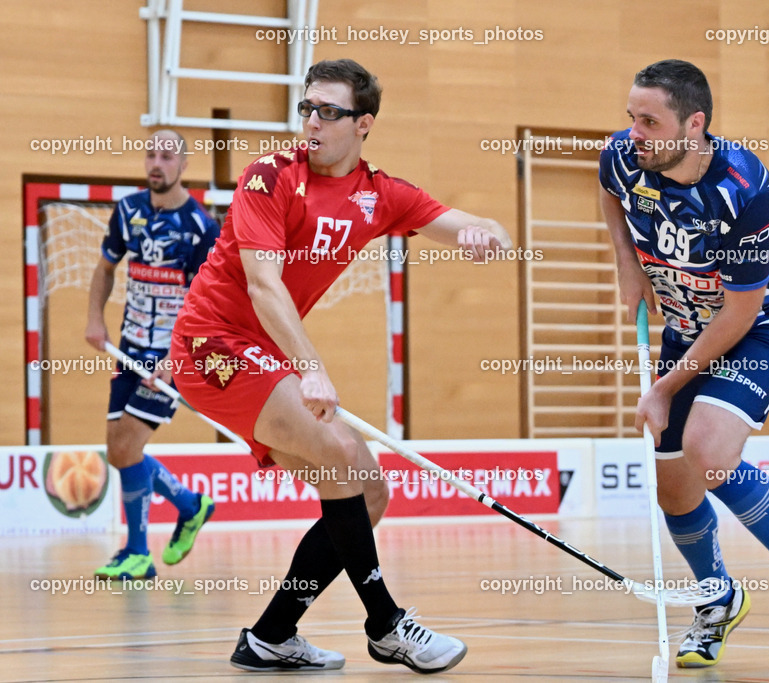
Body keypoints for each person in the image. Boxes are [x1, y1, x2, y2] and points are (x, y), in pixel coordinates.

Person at [169, 58, 511, 674]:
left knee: (367, 492)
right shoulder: (268, 178)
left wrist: (488, 232)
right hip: (210, 347)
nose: (312, 122)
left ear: (364, 124)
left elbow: (459, 224)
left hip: (263, 358)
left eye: (329, 111)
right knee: (340, 455)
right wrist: (313, 369)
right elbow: (264, 285)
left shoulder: (379, 196)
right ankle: (386, 625)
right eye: (307, 108)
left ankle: (271, 636)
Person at [599, 59, 769, 667]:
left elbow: (740, 313)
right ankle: (718, 597)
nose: (634, 132)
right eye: (631, 117)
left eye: (649, 121)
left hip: (762, 328)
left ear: (694, 124)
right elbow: (608, 191)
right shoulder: (624, 155)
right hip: (687, 328)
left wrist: (664, 387)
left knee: (709, 453)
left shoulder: (745, 186)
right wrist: (627, 265)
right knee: (674, 488)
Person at [86, 129, 219, 580]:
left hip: (171, 357)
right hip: (129, 348)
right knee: (118, 451)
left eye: (167, 156)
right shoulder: (129, 211)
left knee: (126, 446)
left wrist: (175, 357)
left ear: (184, 165)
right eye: (151, 155)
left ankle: (139, 551)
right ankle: (189, 505)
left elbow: (209, 302)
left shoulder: (202, 228)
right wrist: (95, 319)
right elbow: (106, 267)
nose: (156, 163)